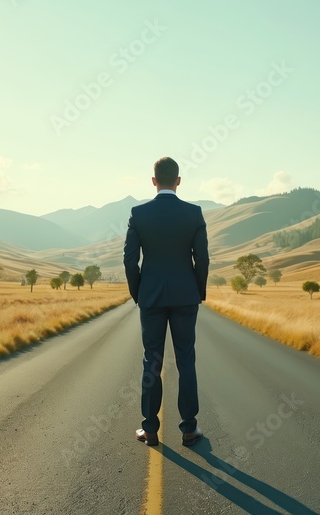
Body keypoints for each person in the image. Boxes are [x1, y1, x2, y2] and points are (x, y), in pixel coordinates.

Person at [123, 157, 209, 447]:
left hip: (152, 298)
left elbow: (129, 259)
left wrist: (139, 293)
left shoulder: (139, 214)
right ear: (179, 181)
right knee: (186, 360)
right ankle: (189, 428)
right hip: (186, 298)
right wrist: (198, 292)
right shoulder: (194, 213)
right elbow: (203, 259)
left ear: (153, 181)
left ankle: (149, 430)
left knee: (152, 361)